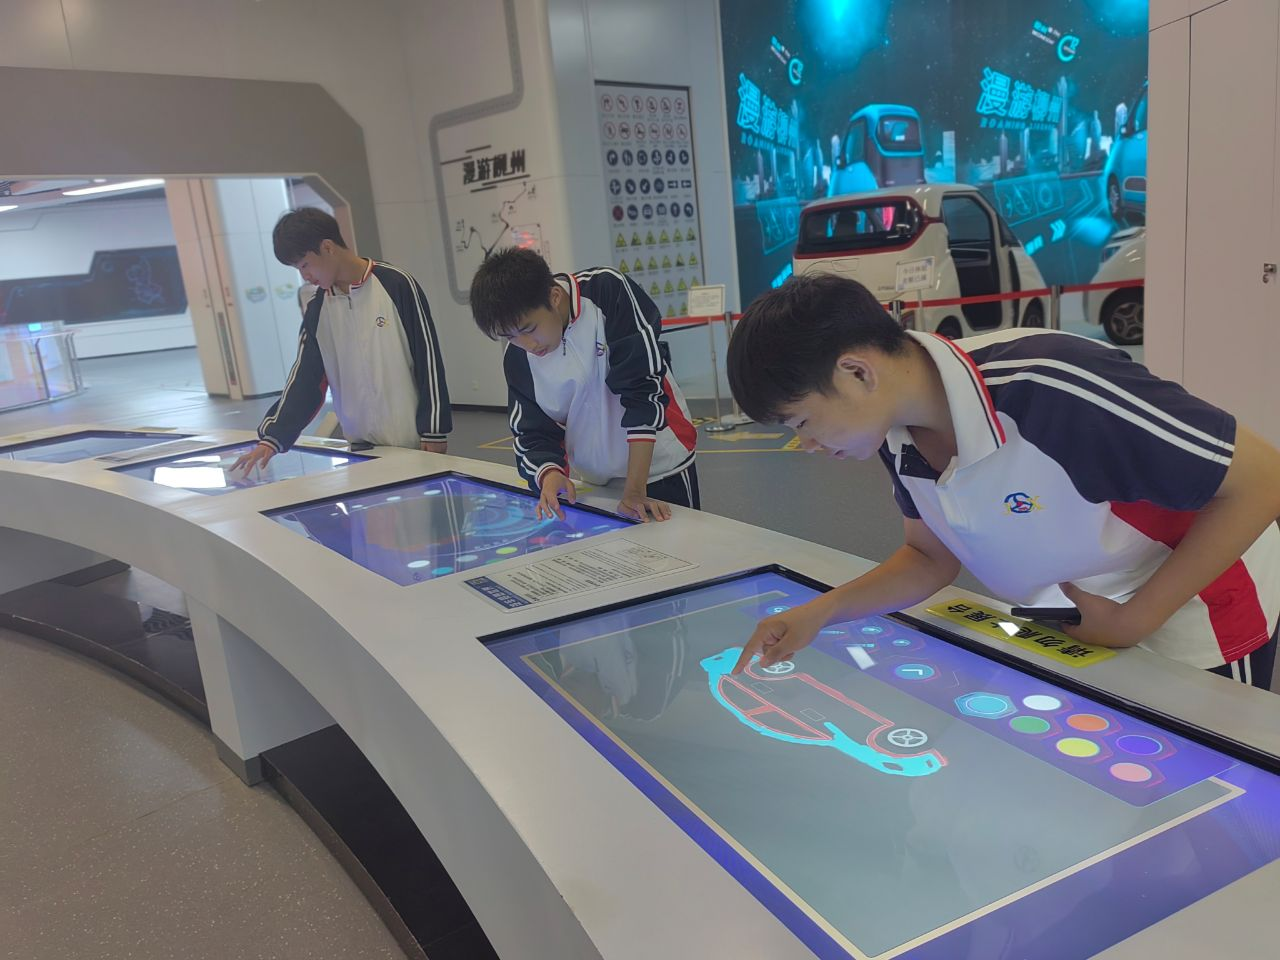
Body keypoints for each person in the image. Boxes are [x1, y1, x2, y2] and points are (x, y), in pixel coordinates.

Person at [725, 273, 1280, 688]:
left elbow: (1261, 481)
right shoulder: (893, 429)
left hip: (1194, 614)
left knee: (1214, 789)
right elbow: (928, 557)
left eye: (802, 422)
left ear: (856, 372)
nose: (807, 445)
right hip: (1080, 619)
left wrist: (1135, 620)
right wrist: (821, 611)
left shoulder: (1051, 385)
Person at [468, 247, 698, 522]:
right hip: (595, 481)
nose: (527, 345)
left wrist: (636, 490)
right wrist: (550, 473)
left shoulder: (606, 291)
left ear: (554, 297)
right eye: (509, 336)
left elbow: (642, 390)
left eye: (529, 329)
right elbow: (531, 433)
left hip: (659, 467)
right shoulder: (518, 358)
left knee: (683, 544)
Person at [233, 207, 451, 472]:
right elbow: (305, 377)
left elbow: (428, 359)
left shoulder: (396, 285)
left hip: (412, 442)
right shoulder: (317, 309)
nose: (305, 276)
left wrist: (434, 430)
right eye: (298, 269)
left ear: (327, 247)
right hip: (360, 449)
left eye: (305, 265)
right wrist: (273, 437)